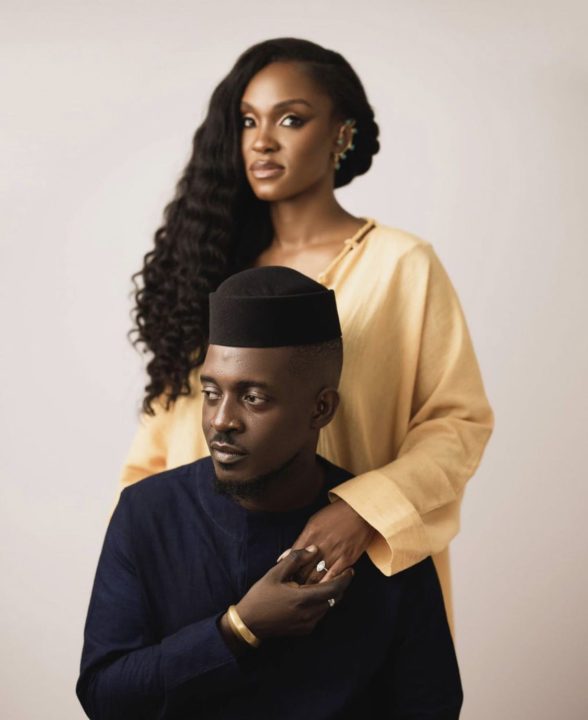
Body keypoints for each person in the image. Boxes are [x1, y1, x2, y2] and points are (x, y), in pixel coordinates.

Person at [124, 37, 494, 619]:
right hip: (204, 578)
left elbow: (457, 423)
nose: (262, 140)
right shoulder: (209, 271)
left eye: (290, 119)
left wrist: (364, 511)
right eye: (248, 121)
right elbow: (156, 449)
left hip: (350, 574)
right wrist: (136, 567)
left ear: (342, 134)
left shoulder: (400, 265)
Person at [78, 267, 463, 719]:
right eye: (211, 392)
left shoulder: (377, 533)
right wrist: (239, 628)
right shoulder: (147, 513)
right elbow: (104, 696)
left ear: (321, 408)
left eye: (253, 398)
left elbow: (432, 706)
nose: (221, 420)